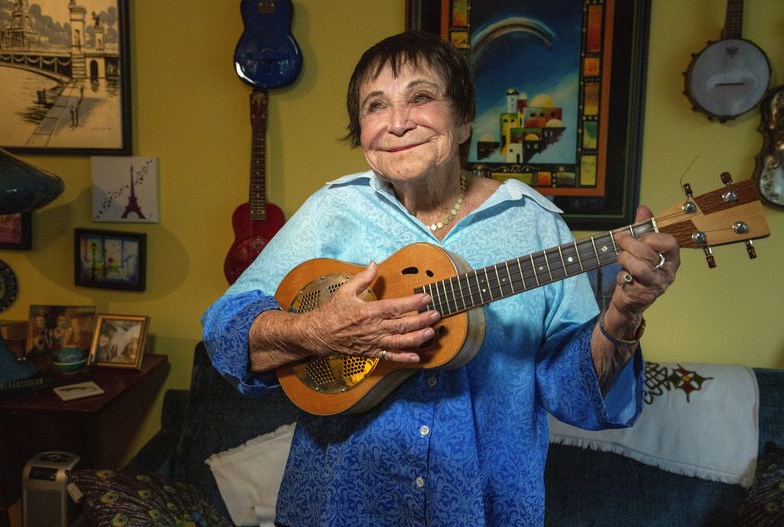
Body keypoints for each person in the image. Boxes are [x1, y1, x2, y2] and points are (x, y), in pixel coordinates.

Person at [202, 30, 680, 526]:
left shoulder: (534, 223)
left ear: (465, 118)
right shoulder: (331, 211)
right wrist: (317, 331)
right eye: (375, 106)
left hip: (486, 509)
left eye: (422, 97)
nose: (398, 123)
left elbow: (574, 395)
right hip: (340, 508)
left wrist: (623, 316)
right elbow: (225, 333)